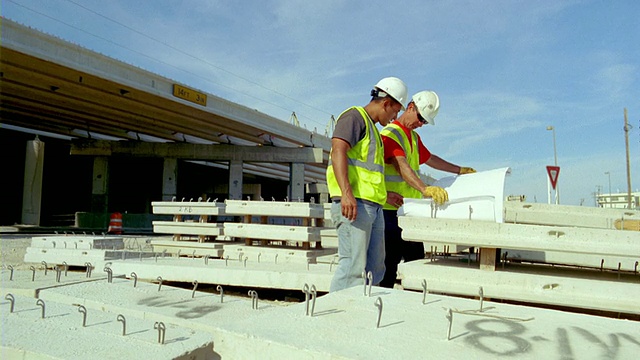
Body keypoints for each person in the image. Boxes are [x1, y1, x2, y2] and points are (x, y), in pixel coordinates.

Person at [379, 90, 476, 288]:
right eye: (420, 118)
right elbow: (401, 164)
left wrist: (460, 170)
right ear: (411, 107)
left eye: (424, 122)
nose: (421, 124)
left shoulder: (413, 138)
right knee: (388, 267)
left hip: (409, 212)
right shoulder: (391, 133)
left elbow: (430, 159)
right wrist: (425, 189)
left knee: (416, 263)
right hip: (389, 213)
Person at [326, 77, 408, 292]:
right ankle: (337, 317)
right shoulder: (354, 117)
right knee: (353, 267)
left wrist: (384, 195)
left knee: (375, 268)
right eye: (395, 111)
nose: (394, 117)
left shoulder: (374, 132)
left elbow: (368, 172)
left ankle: (363, 310)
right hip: (354, 206)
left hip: (373, 206)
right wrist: (346, 193)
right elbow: (338, 151)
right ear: (386, 103)